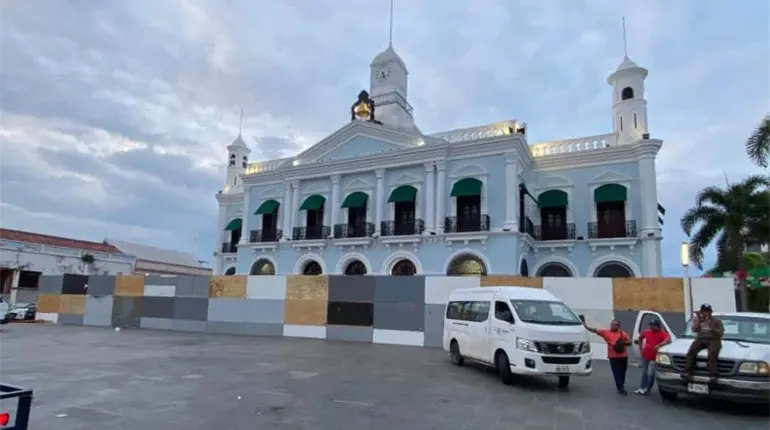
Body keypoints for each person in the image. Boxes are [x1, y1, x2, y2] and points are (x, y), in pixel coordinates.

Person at [584, 319, 632, 395]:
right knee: (616, 372)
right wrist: (586, 326)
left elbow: (630, 342)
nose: (613, 325)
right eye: (612, 324)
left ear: (618, 326)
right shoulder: (606, 332)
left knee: (622, 372)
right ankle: (620, 387)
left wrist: (621, 343)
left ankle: (621, 384)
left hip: (623, 356)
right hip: (613, 356)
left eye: (615, 324)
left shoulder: (623, 334)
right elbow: (595, 330)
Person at [683, 303, 724, 382]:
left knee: (712, 353)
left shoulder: (717, 320)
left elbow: (720, 334)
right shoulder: (698, 319)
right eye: (704, 311)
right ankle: (687, 372)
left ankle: (713, 375)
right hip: (701, 339)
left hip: (714, 339)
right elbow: (694, 330)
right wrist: (698, 319)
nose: (706, 313)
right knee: (691, 351)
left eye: (707, 311)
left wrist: (711, 326)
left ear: (710, 312)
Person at [634, 320, 670, 395]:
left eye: (653, 325)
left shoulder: (662, 333)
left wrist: (659, 345)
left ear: (658, 326)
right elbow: (640, 338)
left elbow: (668, 339)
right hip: (645, 355)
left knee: (650, 373)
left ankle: (647, 388)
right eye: (651, 325)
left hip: (654, 357)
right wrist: (640, 348)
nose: (651, 327)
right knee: (644, 372)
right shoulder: (647, 331)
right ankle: (641, 387)